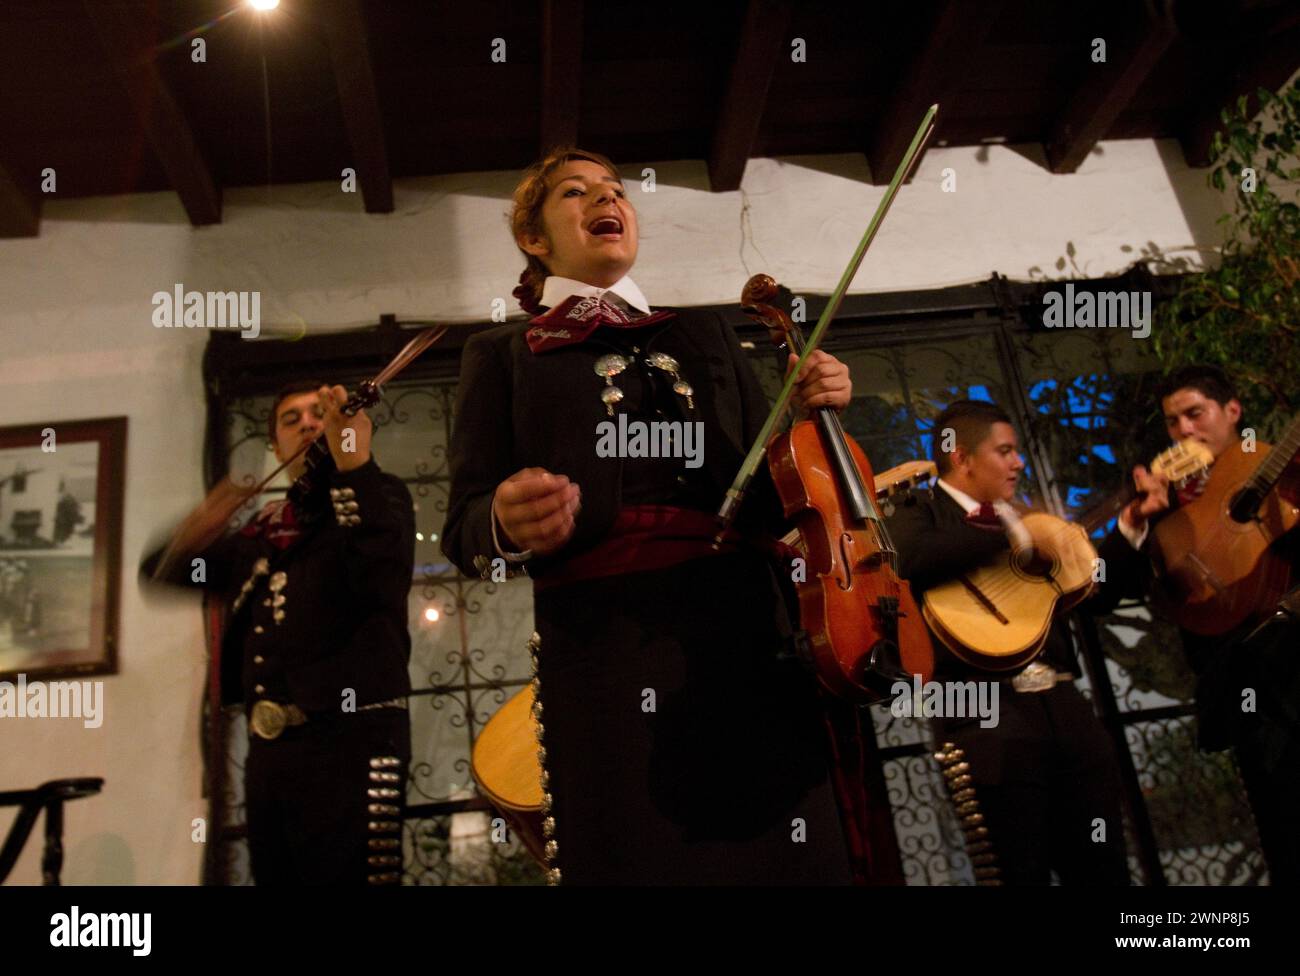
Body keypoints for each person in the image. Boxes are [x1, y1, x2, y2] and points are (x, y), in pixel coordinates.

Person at [441, 147, 858, 884]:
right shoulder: (502, 353)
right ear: (534, 240)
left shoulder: (704, 336)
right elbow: (465, 531)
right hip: (604, 646)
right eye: (576, 193)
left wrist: (806, 418)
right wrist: (503, 521)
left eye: (615, 190)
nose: (607, 200)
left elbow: (770, 497)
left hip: (746, 632)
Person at [141, 380, 414, 885]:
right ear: (276, 447)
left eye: (318, 414)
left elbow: (384, 572)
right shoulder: (260, 535)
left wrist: (351, 456)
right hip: (272, 755)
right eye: (291, 420)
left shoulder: (378, 495)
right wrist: (197, 526)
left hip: (352, 744)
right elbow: (162, 573)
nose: (308, 424)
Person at [885, 399, 1130, 884]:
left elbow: (1095, 600)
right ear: (962, 458)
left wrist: (1127, 527)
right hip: (985, 719)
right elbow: (906, 561)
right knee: (1019, 872)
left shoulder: (1028, 520)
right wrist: (1013, 535)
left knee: (1105, 867)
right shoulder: (919, 511)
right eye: (1005, 450)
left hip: (1064, 705)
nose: (1018, 462)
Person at [1095, 364, 1300, 883]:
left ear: (1233, 411)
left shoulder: (1278, 467)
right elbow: (1101, 592)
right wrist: (1137, 521)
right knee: (1285, 832)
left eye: (1195, 413)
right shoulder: (1160, 502)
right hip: (1247, 692)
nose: (1185, 430)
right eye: (1173, 422)